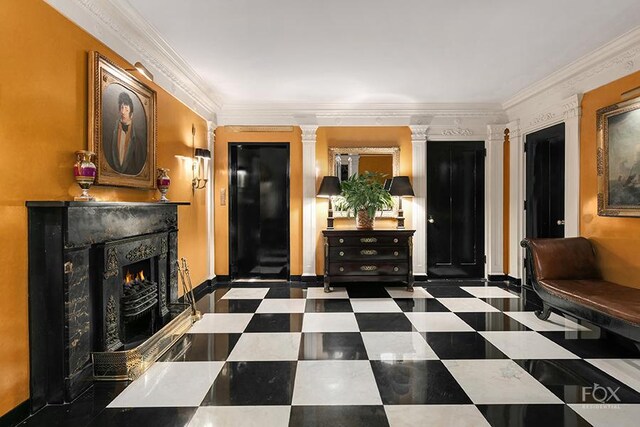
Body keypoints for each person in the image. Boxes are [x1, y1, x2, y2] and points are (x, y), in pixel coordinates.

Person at [103, 92, 146, 175]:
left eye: (126, 109)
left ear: (131, 114)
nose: (123, 111)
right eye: (121, 108)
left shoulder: (138, 138)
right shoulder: (112, 131)